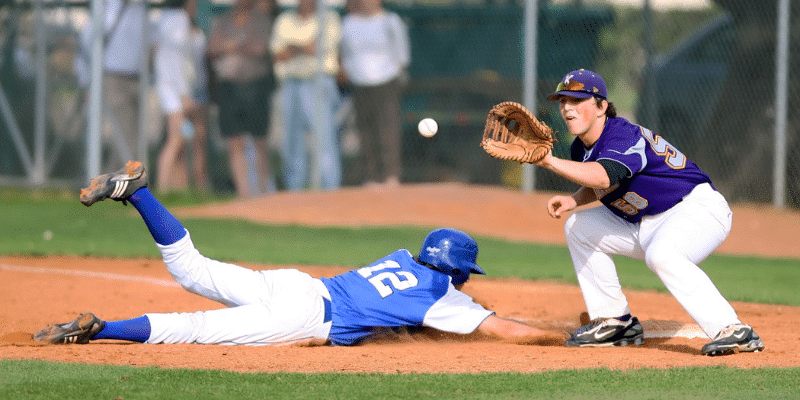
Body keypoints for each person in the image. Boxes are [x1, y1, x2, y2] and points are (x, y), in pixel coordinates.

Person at [33, 161, 565, 347]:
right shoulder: (440, 296)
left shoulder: (404, 258)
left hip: (298, 284)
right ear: (454, 271)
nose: (465, 285)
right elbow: (506, 330)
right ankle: (100, 330)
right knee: (193, 328)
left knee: (192, 270)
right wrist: (565, 337)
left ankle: (139, 193)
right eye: (464, 276)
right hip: (304, 315)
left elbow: (396, 313)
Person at [534, 69, 764, 356]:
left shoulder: (622, 135)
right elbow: (605, 182)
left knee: (662, 254)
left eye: (577, 100)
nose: (567, 107)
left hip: (696, 209)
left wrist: (548, 162)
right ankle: (615, 322)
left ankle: (733, 329)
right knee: (578, 226)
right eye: (563, 101)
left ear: (602, 106)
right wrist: (575, 200)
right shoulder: (580, 148)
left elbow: (607, 175)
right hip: (646, 222)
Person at [270, 0, 342, 191]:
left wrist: (293, 48)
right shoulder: (285, 20)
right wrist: (302, 47)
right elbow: (278, 54)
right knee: (291, 139)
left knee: (323, 137)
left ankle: (330, 188)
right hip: (290, 83)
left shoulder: (328, 18)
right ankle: (294, 189)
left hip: (318, 81)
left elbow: (316, 49)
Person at [207, 0, 276, 198]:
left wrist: (231, 45)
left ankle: (263, 191)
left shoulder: (261, 20)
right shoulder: (224, 20)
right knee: (234, 140)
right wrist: (241, 44)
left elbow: (260, 48)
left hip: (255, 86)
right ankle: (244, 192)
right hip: (229, 88)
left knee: (259, 139)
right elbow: (213, 47)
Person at [74, 0, 153, 171]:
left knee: (133, 138)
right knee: (126, 140)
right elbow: (87, 43)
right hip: (113, 77)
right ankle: (122, 185)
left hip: (137, 77)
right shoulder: (109, 8)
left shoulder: (139, 8)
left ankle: (115, 184)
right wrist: (86, 80)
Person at [339, 0, 410, 188]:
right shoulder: (348, 23)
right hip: (359, 83)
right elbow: (345, 54)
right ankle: (372, 176)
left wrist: (393, 73)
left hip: (387, 81)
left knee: (387, 128)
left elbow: (402, 55)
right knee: (365, 130)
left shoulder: (391, 21)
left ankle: (391, 175)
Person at [154, 0, 211, 193]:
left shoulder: (177, 21)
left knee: (186, 141)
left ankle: (179, 190)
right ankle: (162, 189)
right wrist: (184, 95)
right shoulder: (177, 21)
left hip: (184, 90)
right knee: (177, 139)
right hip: (175, 91)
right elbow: (175, 61)